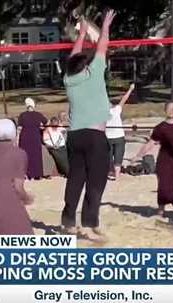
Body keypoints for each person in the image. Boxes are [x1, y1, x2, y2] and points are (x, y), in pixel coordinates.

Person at [62, 11, 116, 241]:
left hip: (74, 136)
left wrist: (82, 33)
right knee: (96, 182)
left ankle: (68, 222)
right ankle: (88, 224)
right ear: (85, 66)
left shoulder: (68, 79)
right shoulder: (93, 74)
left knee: (76, 179)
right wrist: (103, 27)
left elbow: (73, 56)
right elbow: (103, 45)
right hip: (95, 136)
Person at [132, 102, 173, 216]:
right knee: (164, 186)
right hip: (165, 161)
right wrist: (138, 156)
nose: (171, 111)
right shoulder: (160, 128)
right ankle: (161, 211)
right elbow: (150, 143)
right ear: (165, 110)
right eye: (169, 108)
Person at [106, 83, 135, 180]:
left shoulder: (101, 113)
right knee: (118, 157)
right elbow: (124, 99)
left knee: (108, 157)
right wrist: (130, 89)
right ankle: (117, 176)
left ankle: (110, 172)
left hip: (108, 137)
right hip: (118, 137)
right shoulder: (116, 110)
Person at [18, 98, 48, 180]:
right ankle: (37, 174)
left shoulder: (22, 115)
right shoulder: (38, 114)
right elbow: (46, 123)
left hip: (25, 138)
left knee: (26, 156)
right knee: (36, 155)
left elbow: (19, 128)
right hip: (35, 137)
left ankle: (27, 174)